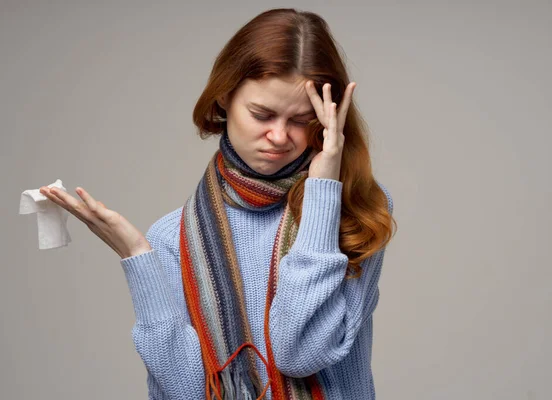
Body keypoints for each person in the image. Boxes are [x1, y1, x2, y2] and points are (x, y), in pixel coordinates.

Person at [40, 8, 396, 400]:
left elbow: (301, 352)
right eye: (262, 114)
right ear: (225, 97)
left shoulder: (354, 210)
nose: (279, 136)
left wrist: (323, 191)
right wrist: (139, 256)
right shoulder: (172, 236)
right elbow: (186, 391)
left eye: (301, 120)